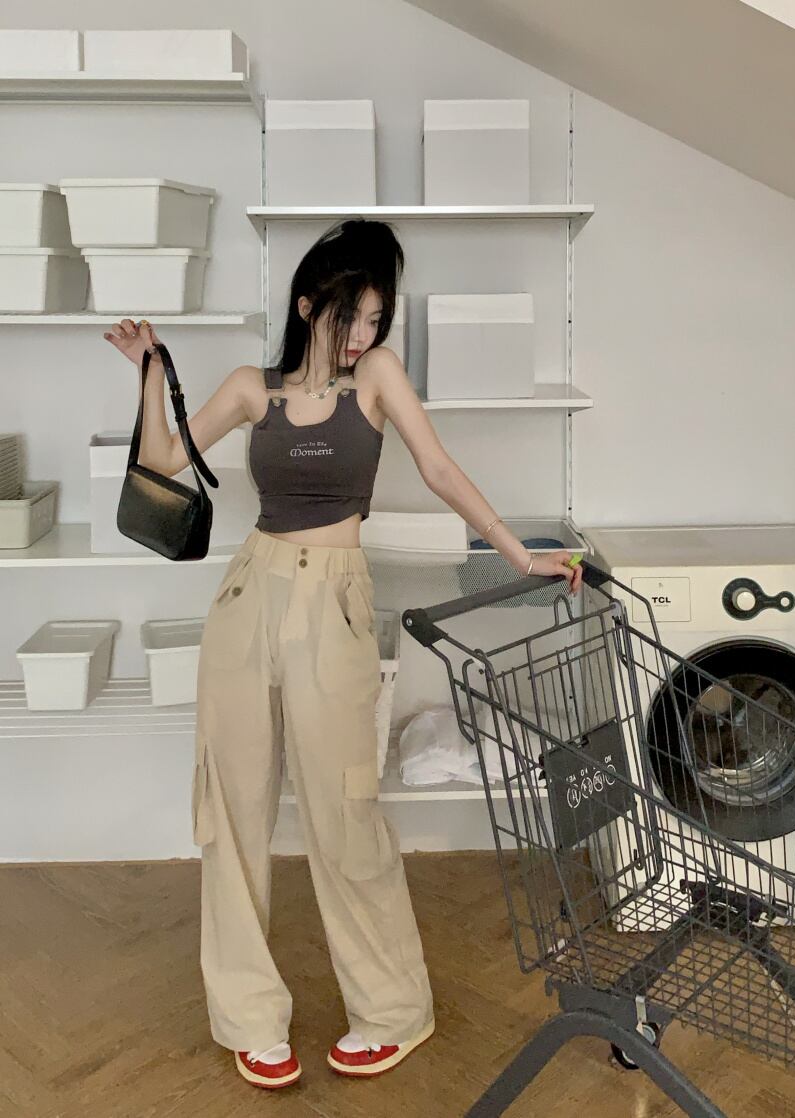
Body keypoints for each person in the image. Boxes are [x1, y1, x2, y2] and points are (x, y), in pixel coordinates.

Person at [104, 217, 583, 1090]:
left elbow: (439, 468)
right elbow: (165, 458)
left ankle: (393, 1010)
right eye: (349, 314)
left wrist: (519, 555)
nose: (362, 334)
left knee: (346, 810)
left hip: (335, 605)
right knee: (233, 811)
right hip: (249, 598)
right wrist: (148, 369)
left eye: (375, 318)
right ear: (307, 304)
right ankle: (250, 1018)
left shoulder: (379, 378)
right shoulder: (252, 388)